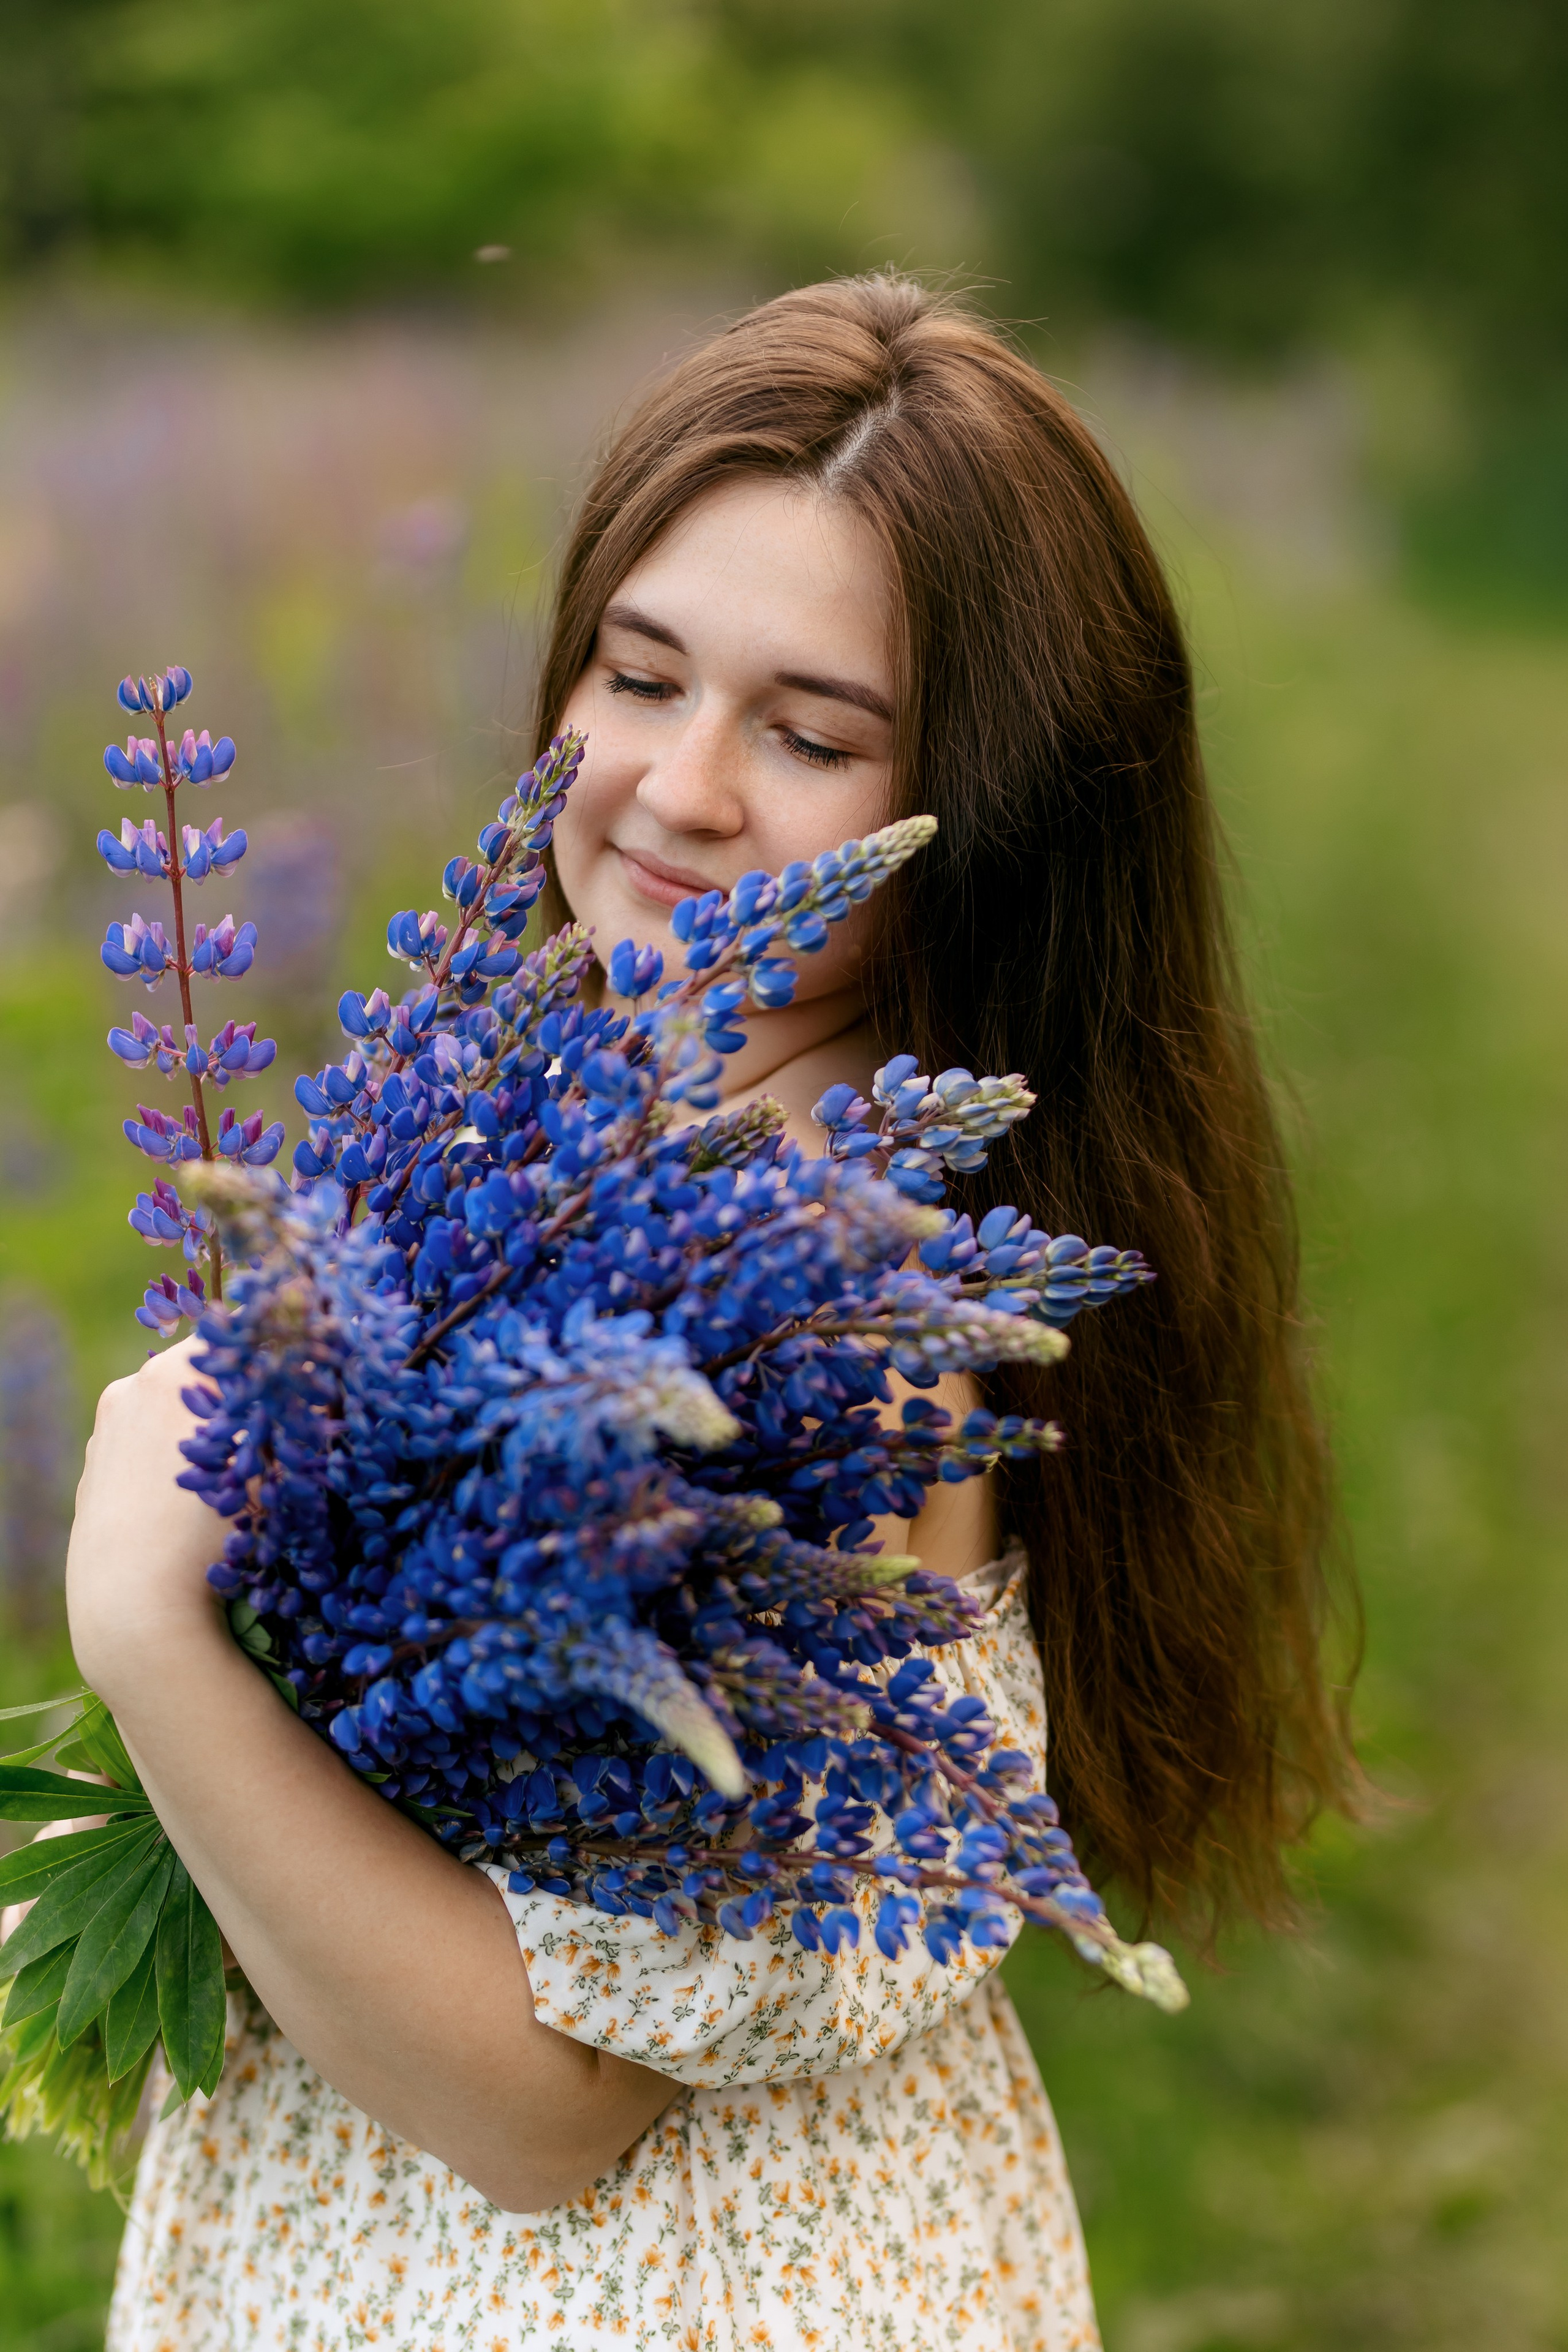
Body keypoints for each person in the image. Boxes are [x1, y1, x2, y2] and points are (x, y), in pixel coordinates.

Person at [59, 275, 1355, 2352]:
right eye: (639, 672)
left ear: (999, 817)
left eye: (812, 736)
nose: (678, 788)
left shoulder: (842, 1301)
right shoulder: (559, 1107)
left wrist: (149, 1630)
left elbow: (548, 2108)